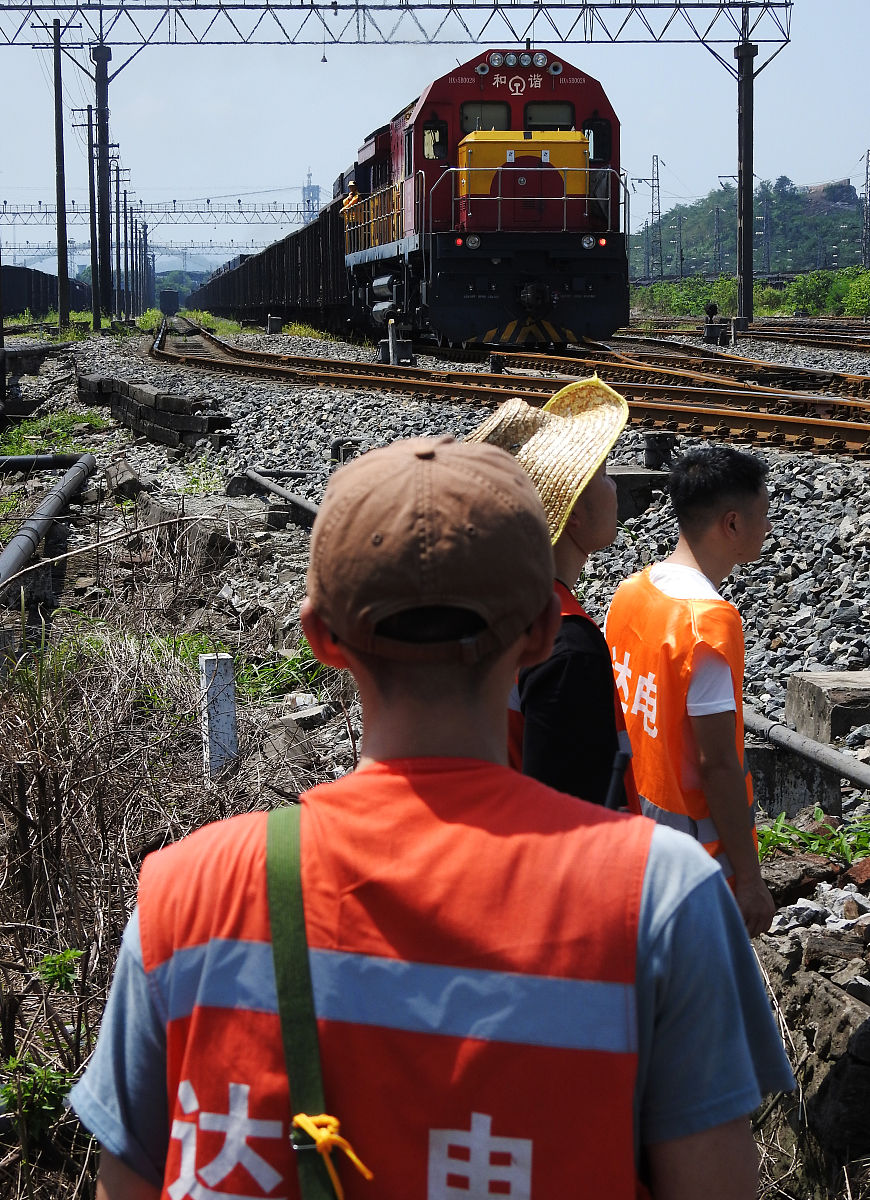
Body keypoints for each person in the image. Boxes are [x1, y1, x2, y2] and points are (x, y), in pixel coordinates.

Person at [69, 436, 792, 1200]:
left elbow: (127, 1173)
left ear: (320, 639)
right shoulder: (664, 901)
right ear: (545, 632)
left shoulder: (183, 896)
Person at [605, 444, 776, 938]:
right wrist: (748, 878)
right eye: (762, 514)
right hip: (695, 858)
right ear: (732, 525)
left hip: (634, 826)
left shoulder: (632, 592)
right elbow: (716, 763)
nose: (768, 527)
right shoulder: (708, 625)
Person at [467, 377, 639, 809]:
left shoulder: (495, 605)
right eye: (602, 473)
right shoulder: (567, 646)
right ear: (574, 512)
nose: (615, 485)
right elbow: (571, 823)